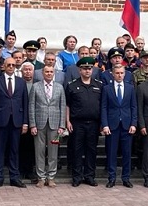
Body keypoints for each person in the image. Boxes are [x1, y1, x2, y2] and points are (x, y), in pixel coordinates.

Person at [0, 56, 29, 188]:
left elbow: (25, 103)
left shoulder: (21, 82)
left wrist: (25, 122)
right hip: (1, 121)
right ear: (4, 66)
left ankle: (14, 177)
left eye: (13, 65)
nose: (11, 67)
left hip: (16, 121)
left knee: (14, 150)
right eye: (8, 65)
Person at [65, 57, 103, 187]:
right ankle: (77, 177)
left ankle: (89, 176)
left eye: (89, 68)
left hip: (93, 123)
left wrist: (102, 123)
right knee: (76, 150)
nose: (87, 71)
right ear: (79, 70)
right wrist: (67, 121)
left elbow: (102, 105)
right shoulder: (72, 85)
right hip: (77, 123)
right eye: (84, 68)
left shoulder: (99, 85)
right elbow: (67, 105)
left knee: (91, 151)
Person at [100, 63, 138, 188]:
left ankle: (126, 178)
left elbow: (134, 107)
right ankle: (112, 178)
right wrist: (105, 125)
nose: (120, 75)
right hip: (112, 125)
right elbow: (104, 107)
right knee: (112, 153)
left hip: (127, 125)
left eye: (122, 73)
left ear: (125, 74)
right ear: (113, 74)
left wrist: (134, 123)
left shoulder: (130, 88)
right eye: (117, 73)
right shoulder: (107, 88)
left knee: (127, 153)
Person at [30, 64, 67, 187]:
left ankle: (51, 177)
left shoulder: (59, 87)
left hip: (55, 124)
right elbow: (31, 106)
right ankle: (41, 177)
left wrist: (62, 125)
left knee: (53, 152)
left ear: (54, 73)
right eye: (47, 72)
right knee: (39, 151)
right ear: (42, 73)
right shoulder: (35, 86)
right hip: (39, 123)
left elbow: (62, 106)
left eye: (51, 72)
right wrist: (32, 125)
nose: (49, 74)